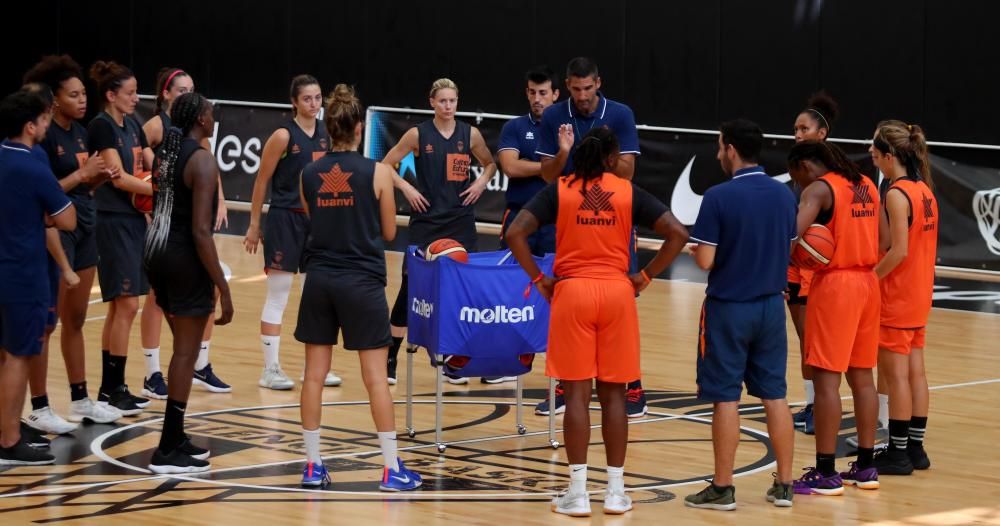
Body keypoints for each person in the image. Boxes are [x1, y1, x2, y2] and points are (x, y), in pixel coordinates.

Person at [506, 126, 688, 516]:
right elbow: (677, 233)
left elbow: (515, 232)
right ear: (610, 158)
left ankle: (577, 492)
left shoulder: (561, 189)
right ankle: (616, 492)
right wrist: (646, 275)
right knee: (615, 396)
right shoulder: (626, 190)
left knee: (575, 395)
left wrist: (539, 279)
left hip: (571, 293)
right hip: (617, 294)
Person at [296, 84, 422, 490]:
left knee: (313, 376)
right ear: (357, 128)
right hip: (362, 282)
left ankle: (313, 467)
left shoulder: (309, 173)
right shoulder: (379, 172)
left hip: (319, 280)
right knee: (373, 378)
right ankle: (391, 469)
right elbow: (388, 232)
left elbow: (311, 220)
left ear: (330, 127)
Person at [684, 119, 797, 510]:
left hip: (730, 308)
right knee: (776, 395)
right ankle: (784, 484)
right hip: (770, 308)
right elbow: (791, 249)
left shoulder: (718, 196)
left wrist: (696, 251)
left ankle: (723, 487)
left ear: (730, 148)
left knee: (726, 398)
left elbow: (707, 260)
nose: (718, 153)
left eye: (719, 147)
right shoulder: (785, 196)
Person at [534, 57, 648, 418]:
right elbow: (546, 174)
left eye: (588, 88)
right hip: (572, 219)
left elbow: (628, 171)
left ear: (599, 83)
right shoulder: (554, 116)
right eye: (576, 89)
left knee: (622, 299)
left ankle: (633, 387)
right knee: (570, 304)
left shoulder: (620, 114)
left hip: (611, 215)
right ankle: (569, 384)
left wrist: (594, 156)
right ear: (567, 85)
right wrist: (566, 152)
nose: (583, 96)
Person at [20, 59, 121, 435]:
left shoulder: (81, 133)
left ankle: (80, 399)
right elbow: (44, 193)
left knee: (76, 320)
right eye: (73, 94)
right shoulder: (42, 140)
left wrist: (96, 180)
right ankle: (39, 406)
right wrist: (80, 174)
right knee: (47, 325)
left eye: (83, 94)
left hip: (85, 226)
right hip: (56, 231)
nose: (82, 100)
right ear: (53, 100)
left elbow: (79, 186)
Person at [381, 78, 497, 385]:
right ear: (432, 102)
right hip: (426, 222)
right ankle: (391, 356)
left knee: (463, 290)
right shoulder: (417, 134)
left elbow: (490, 163)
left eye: (453, 101)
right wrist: (406, 187)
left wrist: (481, 182)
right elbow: (385, 165)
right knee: (411, 287)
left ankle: (455, 359)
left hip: (460, 222)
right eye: (442, 101)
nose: (448, 106)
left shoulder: (469, 134)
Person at [144, 92, 233, 473]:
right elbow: (200, 232)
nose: (214, 119)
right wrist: (224, 289)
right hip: (183, 259)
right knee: (185, 353)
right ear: (200, 118)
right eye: (211, 113)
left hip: (155, 254)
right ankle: (167, 448)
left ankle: (176, 436)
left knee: (183, 348)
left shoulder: (166, 153)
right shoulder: (202, 160)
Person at [787, 140, 881, 496]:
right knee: (863, 379)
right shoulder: (866, 185)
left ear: (805, 166)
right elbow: (883, 238)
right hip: (869, 283)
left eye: (796, 176)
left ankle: (826, 472)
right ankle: (866, 466)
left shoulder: (818, 190)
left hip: (836, 285)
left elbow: (791, 236)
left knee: (827, 382)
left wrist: (807, 254)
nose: (798, 185)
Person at [244, 75, 341, 390]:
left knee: (319, 295)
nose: (314, 104)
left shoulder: (328, 133)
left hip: (318, 222)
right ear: (294, 103)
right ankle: (270, 369)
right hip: (285, 220)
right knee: (279, 294)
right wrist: (254, 224)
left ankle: (317, 368)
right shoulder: (284, 136)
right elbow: (261, 181)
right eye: (307, 99)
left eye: (317, 98)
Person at [0, 89, 76, 465]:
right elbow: (66, 219)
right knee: (19, 356)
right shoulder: (32, 165)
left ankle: (6, 428)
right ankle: (9, 441)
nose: (48, 124)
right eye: (44, 119)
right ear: (31, 126)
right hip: (22, 273)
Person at [87, 60, 155, 416]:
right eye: (129, 93)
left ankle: (111, 388)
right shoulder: (101, 127)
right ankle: (114, 388)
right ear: (111, 94)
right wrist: (156, 190)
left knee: (122, 305)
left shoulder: (132, 124)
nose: (135, 98)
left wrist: (156, 178)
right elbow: (119, 179)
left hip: (133, 220)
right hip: (112, 220)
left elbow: (147, 163)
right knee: (126, 303)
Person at [869, 120, 936, 475]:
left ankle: (897, 454)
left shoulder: (896, 194)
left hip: (897, 295)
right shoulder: (924, 189)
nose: (871, 155)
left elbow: (898, 251)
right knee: (915, 374)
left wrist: (870, 279)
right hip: (920, 293)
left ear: (890, 155)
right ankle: (916, 449)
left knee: (896, 377)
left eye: (875, 151)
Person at [486, 65, 560, 384]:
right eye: (532, 92)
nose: (537, 98)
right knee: (512, 286)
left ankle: (556, 358)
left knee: (558, 286)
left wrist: (553, 167)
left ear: (556, 94)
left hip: (557, 219)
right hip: (519, 217)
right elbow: (509, 166)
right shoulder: (515, 127)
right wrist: (549, 167)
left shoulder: (566, 128)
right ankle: (507, 359)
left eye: (543, 92)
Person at [788, 91, 839, 436]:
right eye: (795, 129)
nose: (797, 134)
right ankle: (811, 405)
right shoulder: (799, 168)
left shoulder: (829, 173)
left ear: (821, 134)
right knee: (806, 344)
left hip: (817, 268)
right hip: (798, 267)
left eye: (803, 129)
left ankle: (818, 406)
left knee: (816, 345)